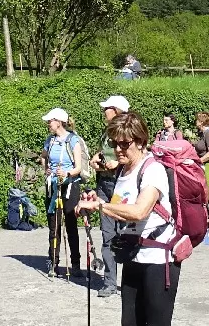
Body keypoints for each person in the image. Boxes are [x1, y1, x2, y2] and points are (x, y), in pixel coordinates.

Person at [77, 112, 180, 326]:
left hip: (158, 259)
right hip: (133, 256)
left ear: (141, 141)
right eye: (114, 143)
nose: (117, 149)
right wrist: (97, 199)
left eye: (124, 144)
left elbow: (140, 211)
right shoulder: (124, 170)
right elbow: (123, 204)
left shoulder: (153, 169)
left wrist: (101, 206)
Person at [41, 107, 88, 278]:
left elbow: (78, 168)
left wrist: (66, 173)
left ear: (59, 122)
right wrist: (46, 169)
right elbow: (44, 156)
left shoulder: (73, 140)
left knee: (70, 224)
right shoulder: (50, 140)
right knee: (54, 225)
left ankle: (75, 264)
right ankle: (53, 262)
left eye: (50, 121)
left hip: (70, 186)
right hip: (53, 185)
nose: (48, 123)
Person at [90, 95, 130, 299]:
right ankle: (109, 282)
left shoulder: (128, 131)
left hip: (122, 186)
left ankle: (131, 282)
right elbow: (101, 153)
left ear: (116, 110)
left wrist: (119, 164)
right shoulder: (106, 132)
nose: (104, 111)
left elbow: (137, 156)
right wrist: (95, 160)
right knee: (107, 235)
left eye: (106, 108)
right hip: (104, 184)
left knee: (127, 234)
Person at [191, 112, 209, 231]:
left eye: (197, 120)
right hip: (206, 165)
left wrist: (199, 161)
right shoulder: (203, 134)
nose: (195, 122)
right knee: (206, 192)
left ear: (202, 122)